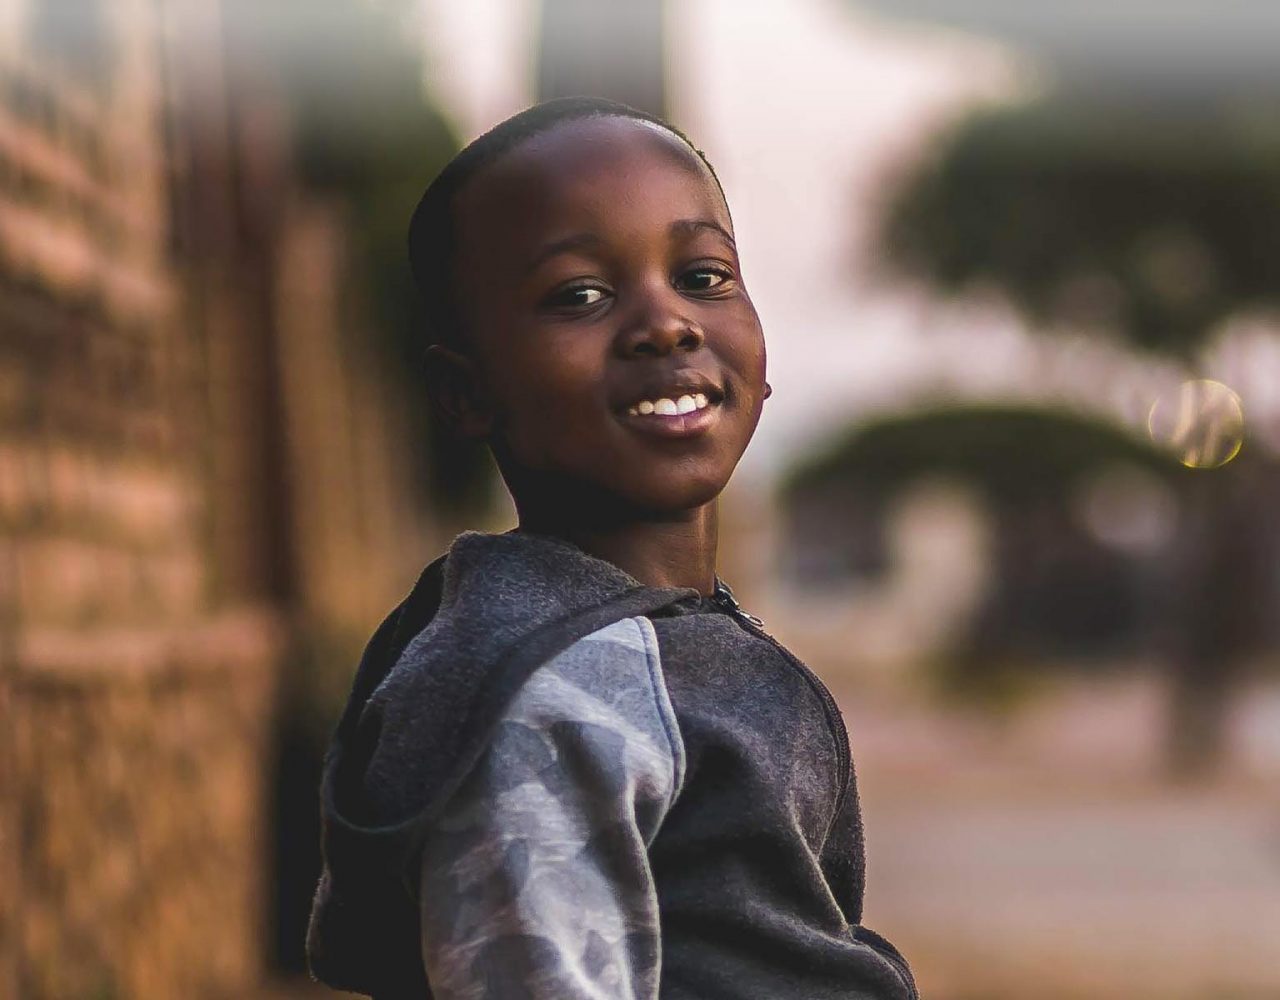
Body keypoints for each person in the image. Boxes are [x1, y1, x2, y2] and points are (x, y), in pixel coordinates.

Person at [305, 96, 918, 1000]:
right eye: (580, 296)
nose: (666, 324)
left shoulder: (655, 636)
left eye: (703, 276)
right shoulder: (549, 692)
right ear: (464, 391)